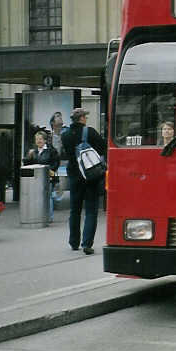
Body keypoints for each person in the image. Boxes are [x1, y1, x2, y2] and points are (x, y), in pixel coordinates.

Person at [61, 108, 106, 255]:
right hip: (90, 176)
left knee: (75, 210)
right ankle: (87, 243)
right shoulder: (89, 132)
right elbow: (103, 147)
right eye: (85, 117)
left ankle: (74, 242)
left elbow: (65, 153)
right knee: (91, 210)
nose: (86, 119)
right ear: (81, 118)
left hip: (74, 176)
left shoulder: (65, 135)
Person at [23, 130, 60, 222]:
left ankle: (49, 217)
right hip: (36, 179)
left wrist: (51, 170)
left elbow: (56, 162)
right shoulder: (33, 151)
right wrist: (28, 157)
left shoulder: (51, 150)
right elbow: (27, 164)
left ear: (45, 140)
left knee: (48, 197)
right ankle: (39, 215)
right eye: (37, 139)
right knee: (38, 197)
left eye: (40, 139)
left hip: (48, 177)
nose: (38, 141)